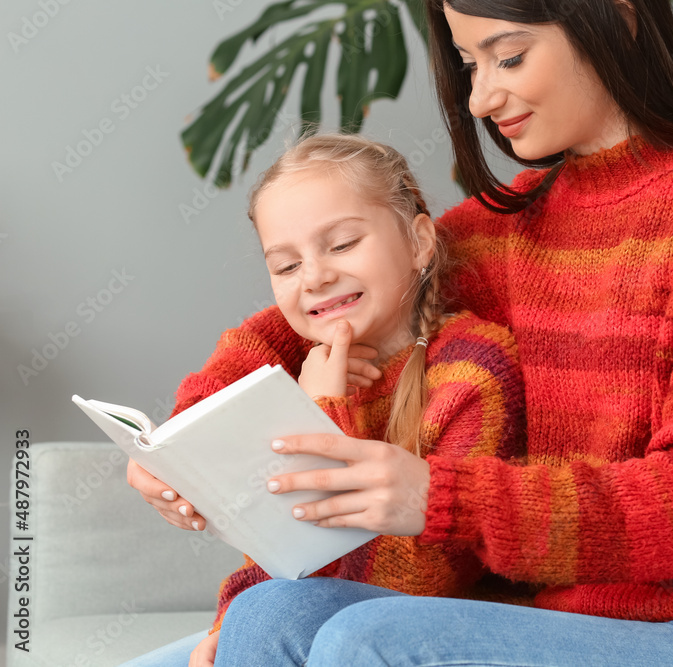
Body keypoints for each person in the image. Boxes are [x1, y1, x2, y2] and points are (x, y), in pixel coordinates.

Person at [138, 0, 673, 663]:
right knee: (263, 617)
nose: (482, 97)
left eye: (509, 57)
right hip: (531, 619)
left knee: (365, 640)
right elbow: (301, 322)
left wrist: (438, 496)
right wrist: (185, 441)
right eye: (468, 65)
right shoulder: (497, 229)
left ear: (615, 17)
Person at [122, 134, 526, 666]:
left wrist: (324, 415)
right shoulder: (293, 370)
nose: (315, 276)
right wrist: (233, 617)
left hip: (412, 631)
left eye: (341, 244)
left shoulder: (474, 372)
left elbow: (417, 580)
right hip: (293, 612)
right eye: (286, 267)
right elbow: (276, 554)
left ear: (420, 242)